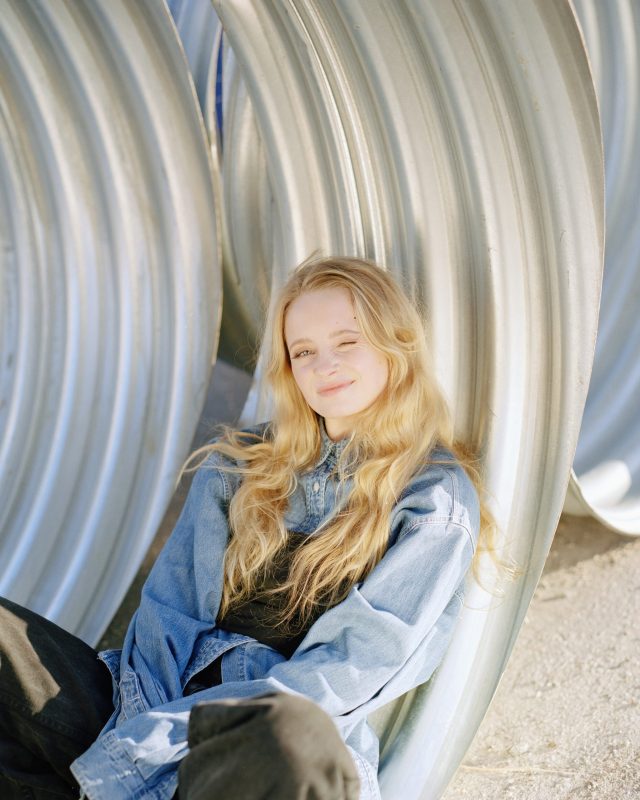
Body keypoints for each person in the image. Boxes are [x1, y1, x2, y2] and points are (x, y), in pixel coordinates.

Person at [0, 256, 492, 799]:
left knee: (292, 729)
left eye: (347, 341)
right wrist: (134, 742)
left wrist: (162, 746)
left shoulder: (433, 502)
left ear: (394, 345)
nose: (324, 364)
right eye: (303, 351)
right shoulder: (239, 465)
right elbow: (168, 616)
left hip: (258, 752)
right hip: (143, 712)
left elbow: (345, 672)